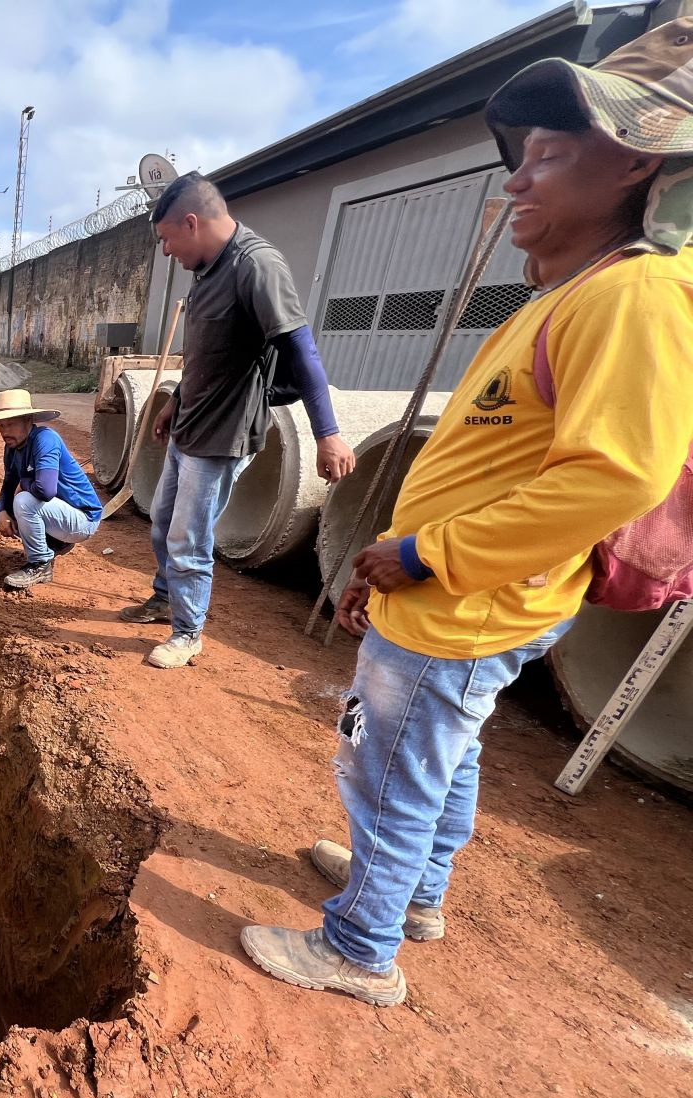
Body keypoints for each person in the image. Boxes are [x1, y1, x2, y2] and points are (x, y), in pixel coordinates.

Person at [240, 18, 693, 1007]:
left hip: (470, 599)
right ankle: (413, 896)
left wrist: (430, 558)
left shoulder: (636, 299)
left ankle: (358, 950)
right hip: (458, 592)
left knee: (389, 773)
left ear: (627, 163)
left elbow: (613, 476)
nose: (516, 181)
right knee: (438, 761)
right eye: (518, 159)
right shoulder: (559, 299)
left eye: (547, 157)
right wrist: (396, 567)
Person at [121, 173, 356, 669]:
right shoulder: (206, 267)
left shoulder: (257, 265)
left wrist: (327, 434)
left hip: (223, 435)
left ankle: (188, 633)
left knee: (189, 537)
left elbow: (301, 349)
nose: (165, 252)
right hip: (191, 425)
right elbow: (211, 351)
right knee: (163, 523)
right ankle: (165, 598)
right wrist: (174, 401)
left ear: (192, 222)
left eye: (166, 239)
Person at [0, 389, 103, 591]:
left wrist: (22, 485)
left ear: (28, 420)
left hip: (82, 519)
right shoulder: (12, 446)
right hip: (57, 513)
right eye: (1, 425)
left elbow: (45, 490)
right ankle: (54, 543)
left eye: (11, 423)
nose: (5, 431)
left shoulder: (45, 440)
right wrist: (3, 511)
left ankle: (39, 564)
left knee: (24, 501)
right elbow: (9, 483)